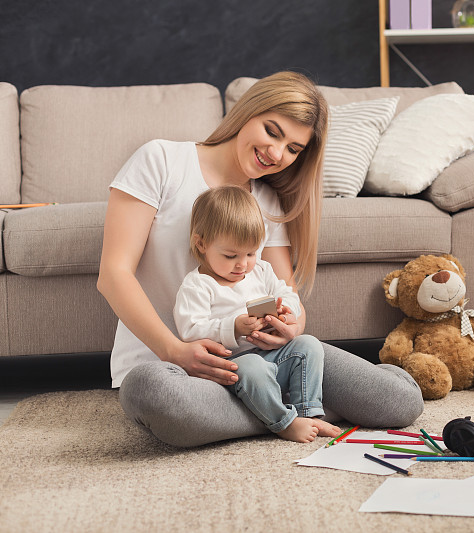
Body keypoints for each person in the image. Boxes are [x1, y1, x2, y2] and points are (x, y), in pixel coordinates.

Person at [97, 71, 423, 447]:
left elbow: (288, 295)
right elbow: (114, 274)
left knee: (399, 400)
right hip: (173, 367)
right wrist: (175, 350)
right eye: (272, 131)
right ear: (248, 112)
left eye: (294, 149)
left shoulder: (267, 201)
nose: (277, 153)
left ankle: (273, 412)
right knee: (151, 391)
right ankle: (292, 412)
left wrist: (291, 325)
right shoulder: (162, 160)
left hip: (266, 362)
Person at [174, 186, 339, 443]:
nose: (243, 264)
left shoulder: (260, 270)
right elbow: (190, 331)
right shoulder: (197, 285)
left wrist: (287, 312)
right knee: (252, 366)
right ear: (202, 243)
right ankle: (284, 422)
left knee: (308, 344)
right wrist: (234, 327)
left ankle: (309, 413)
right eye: (231, 256)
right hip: (232, 367)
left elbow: (288, 294)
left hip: (271, 356)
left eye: (251, 253)